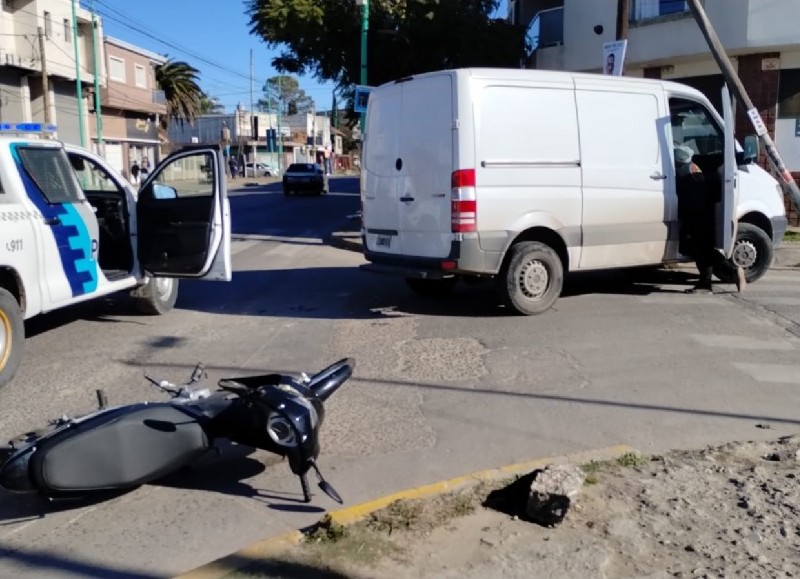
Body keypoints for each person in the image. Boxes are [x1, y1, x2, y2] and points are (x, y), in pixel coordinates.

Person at [674, 145, 746, 293]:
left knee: (698, 249)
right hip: (704, 213)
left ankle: (732, 271)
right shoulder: (693, 167)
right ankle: (705, 283)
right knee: (703, 249)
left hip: (695, 215)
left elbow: (687, 196)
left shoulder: (682, 171)